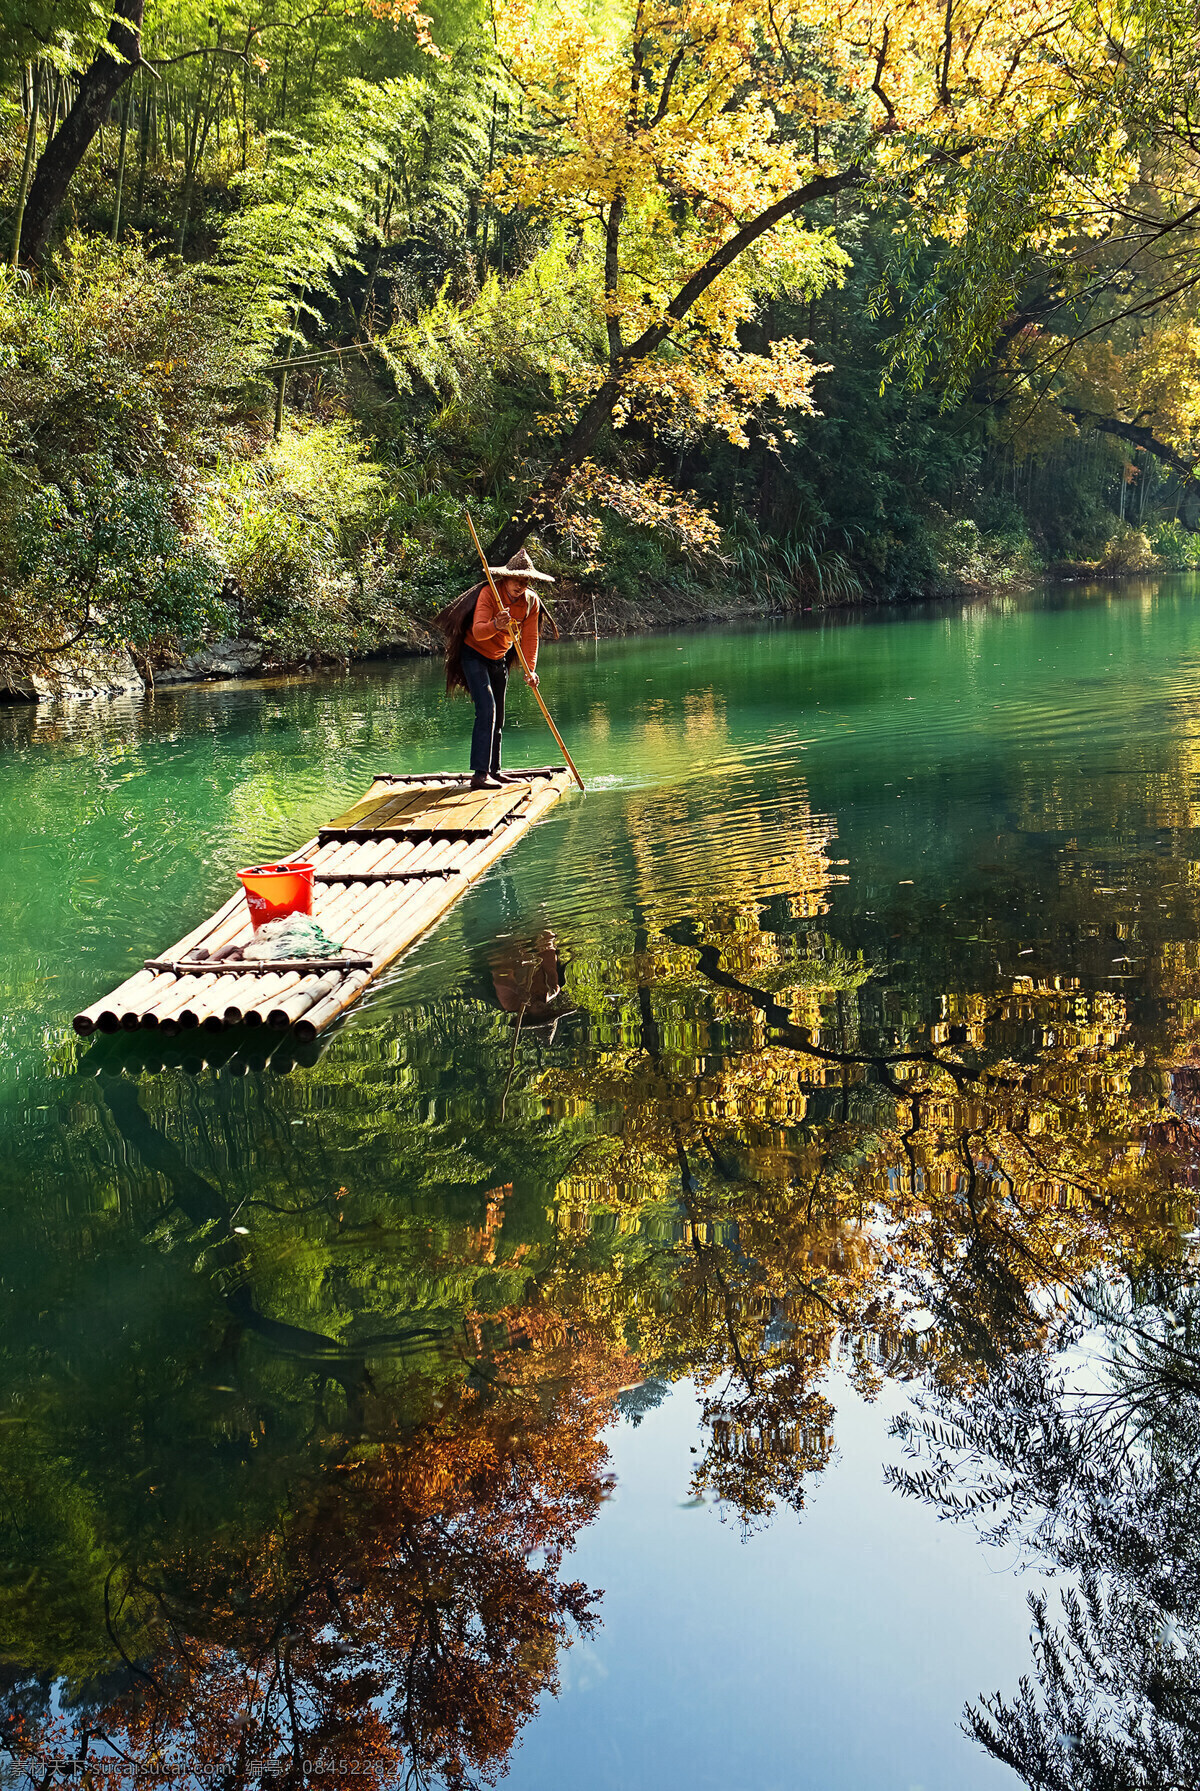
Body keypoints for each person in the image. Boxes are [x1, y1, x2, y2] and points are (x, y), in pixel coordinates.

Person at [439, 548, 556, 789]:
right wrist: (496, 624)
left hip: (498, 658)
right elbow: (480, 632)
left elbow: (530, 638)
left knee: (499, 715)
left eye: (525, 581)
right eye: (516, 580)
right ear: (506, 578)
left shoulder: (531, 602)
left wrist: (530, 670)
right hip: (474, 655)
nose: (520, 586)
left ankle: (495, 770)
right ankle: (479, 775)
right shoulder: (489, 593)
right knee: (487, 709)